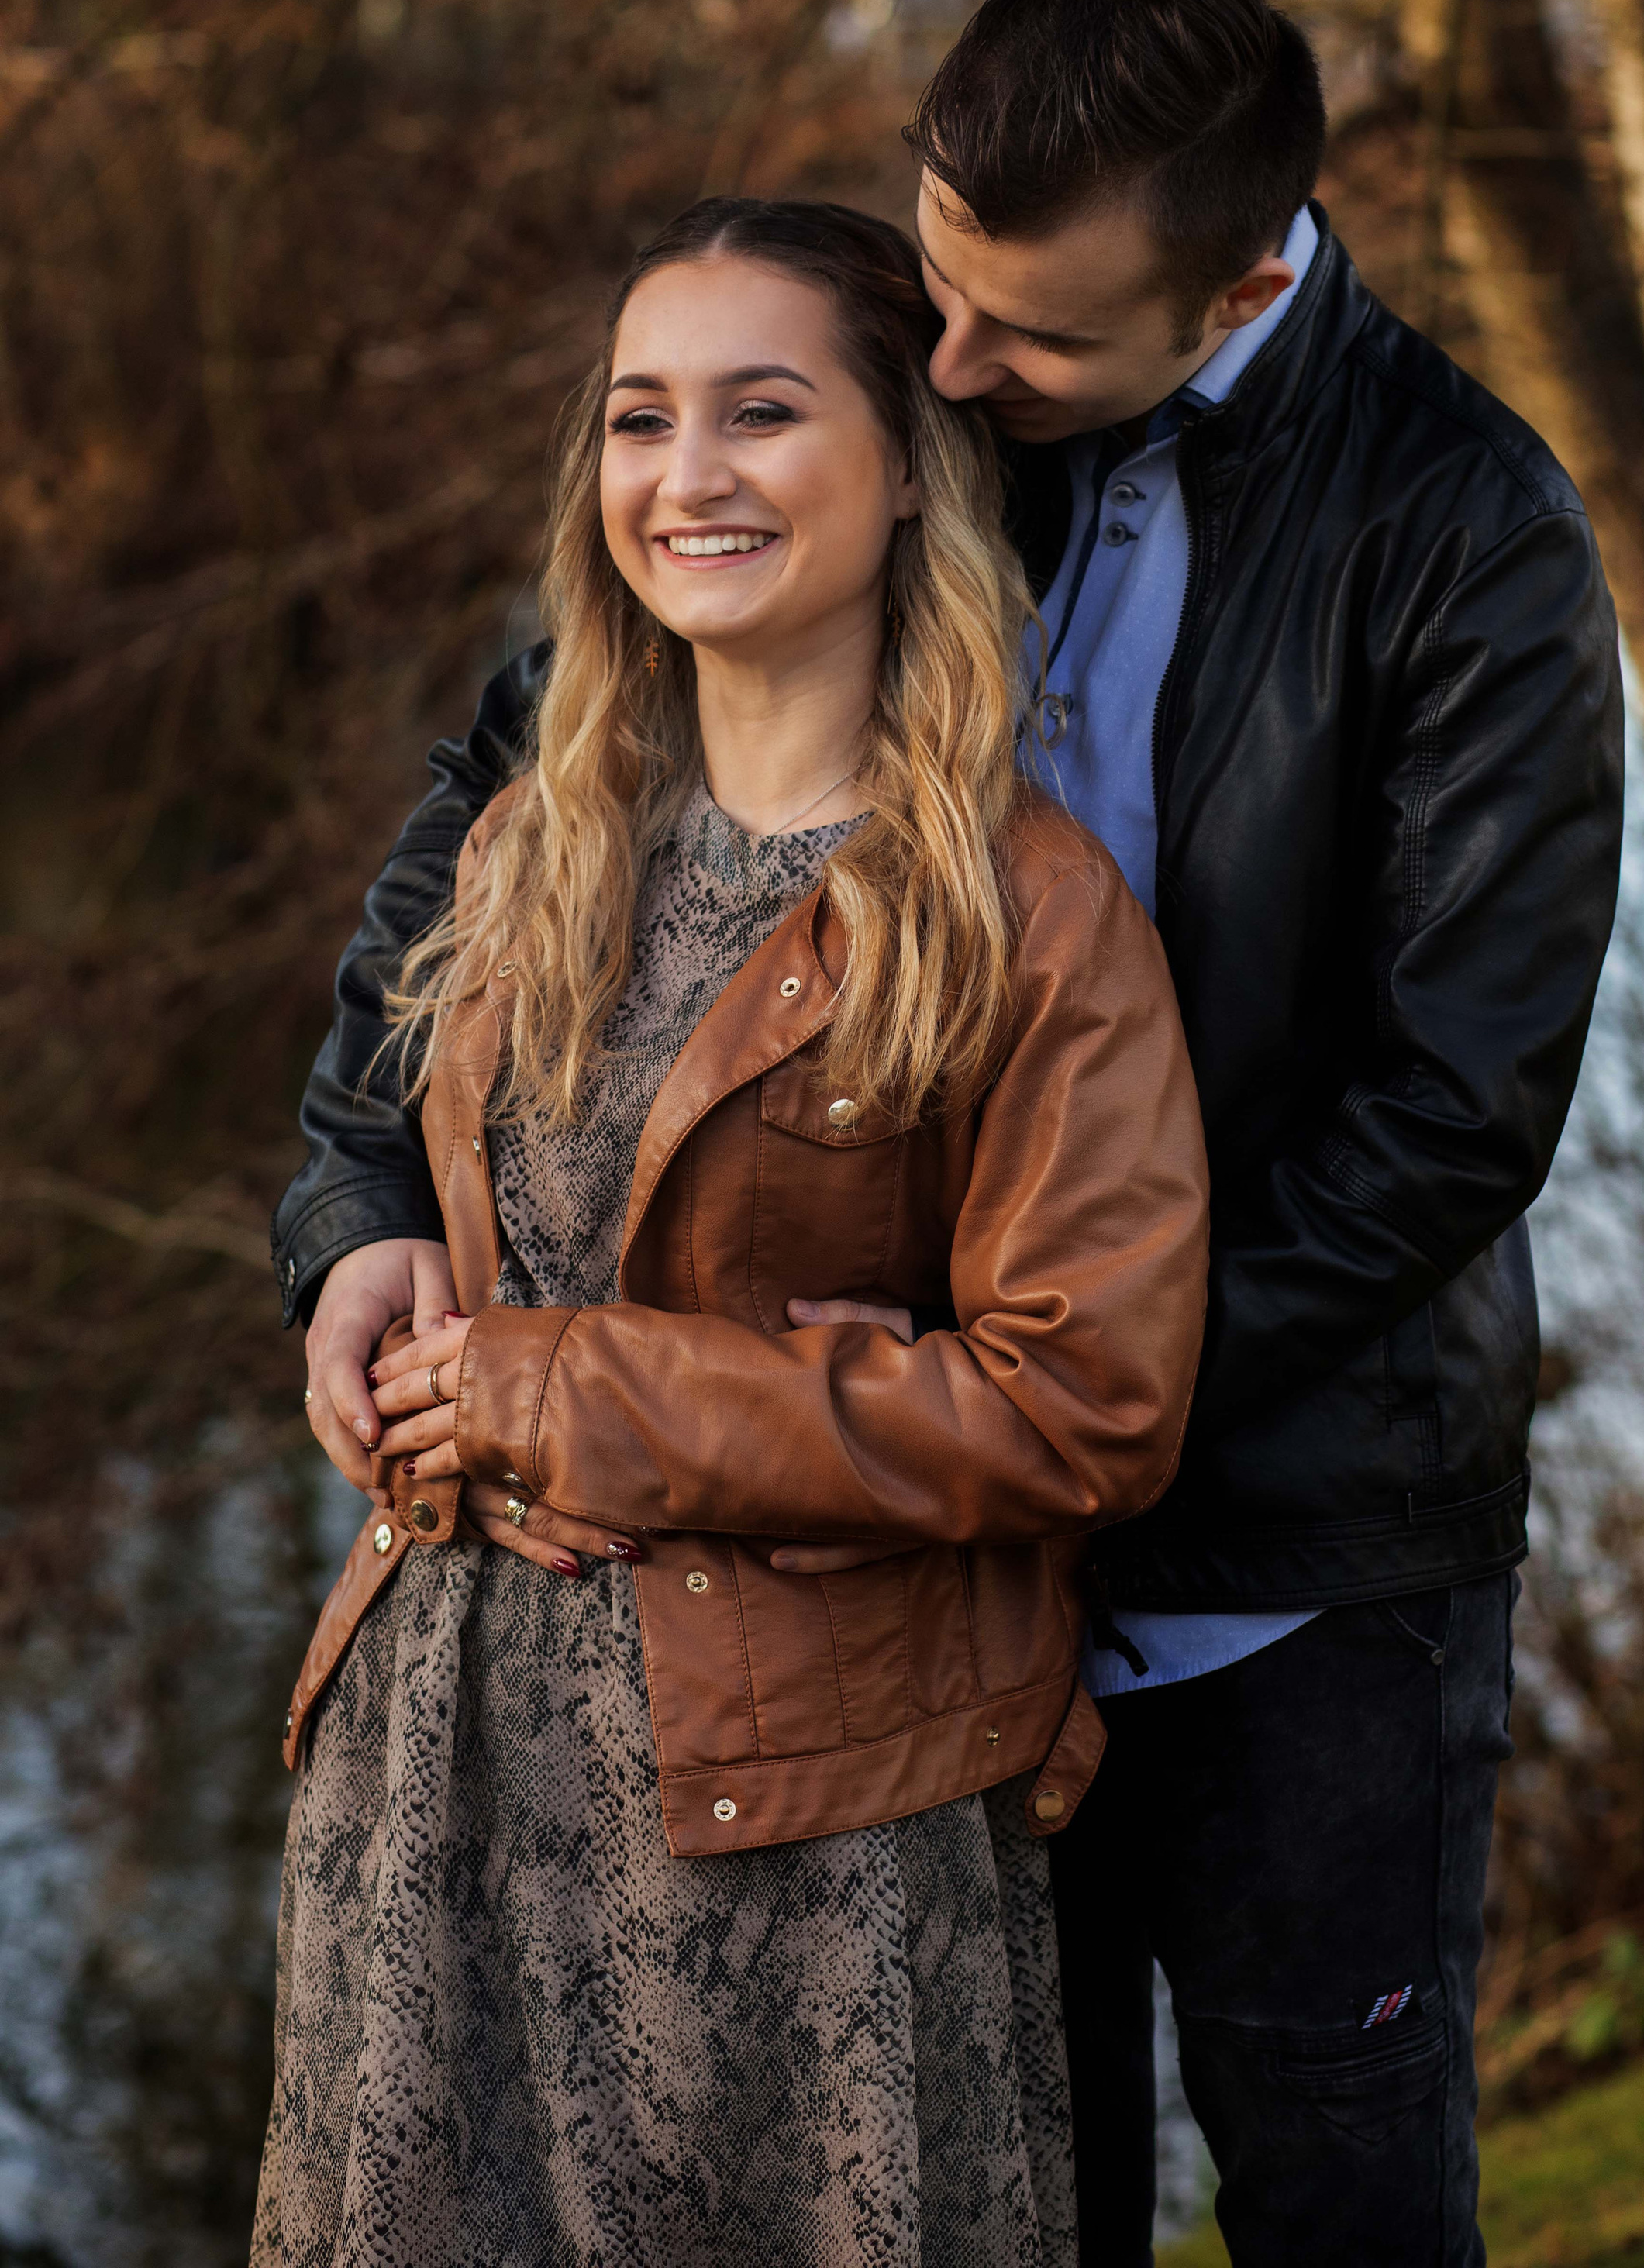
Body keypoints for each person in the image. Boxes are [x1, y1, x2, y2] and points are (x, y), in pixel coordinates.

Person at [277, 0, 1625, 2266]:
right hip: (856, 1592)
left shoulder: (1464, 535)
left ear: (1233, 294)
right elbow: (507, 824)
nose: (962, 367)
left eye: (1025, 339)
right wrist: (357, 1214)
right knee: (1011, 2166)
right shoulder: (876, 418)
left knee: (1334, 2162)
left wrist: (1022, 1390)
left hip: (1283, 1547)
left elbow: (1452, 1107)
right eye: (934, 292)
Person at [254, 197, 1209, 2268]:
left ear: (903, 467)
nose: (685, 476)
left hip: (805, 1832)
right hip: (448, 1776)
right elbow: (422, 1197)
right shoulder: (528, 838)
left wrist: (581, 1387)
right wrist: (376, 1286)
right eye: (639, 421)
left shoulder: (1026, 916)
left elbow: (1088, 1406)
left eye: (760, 415)